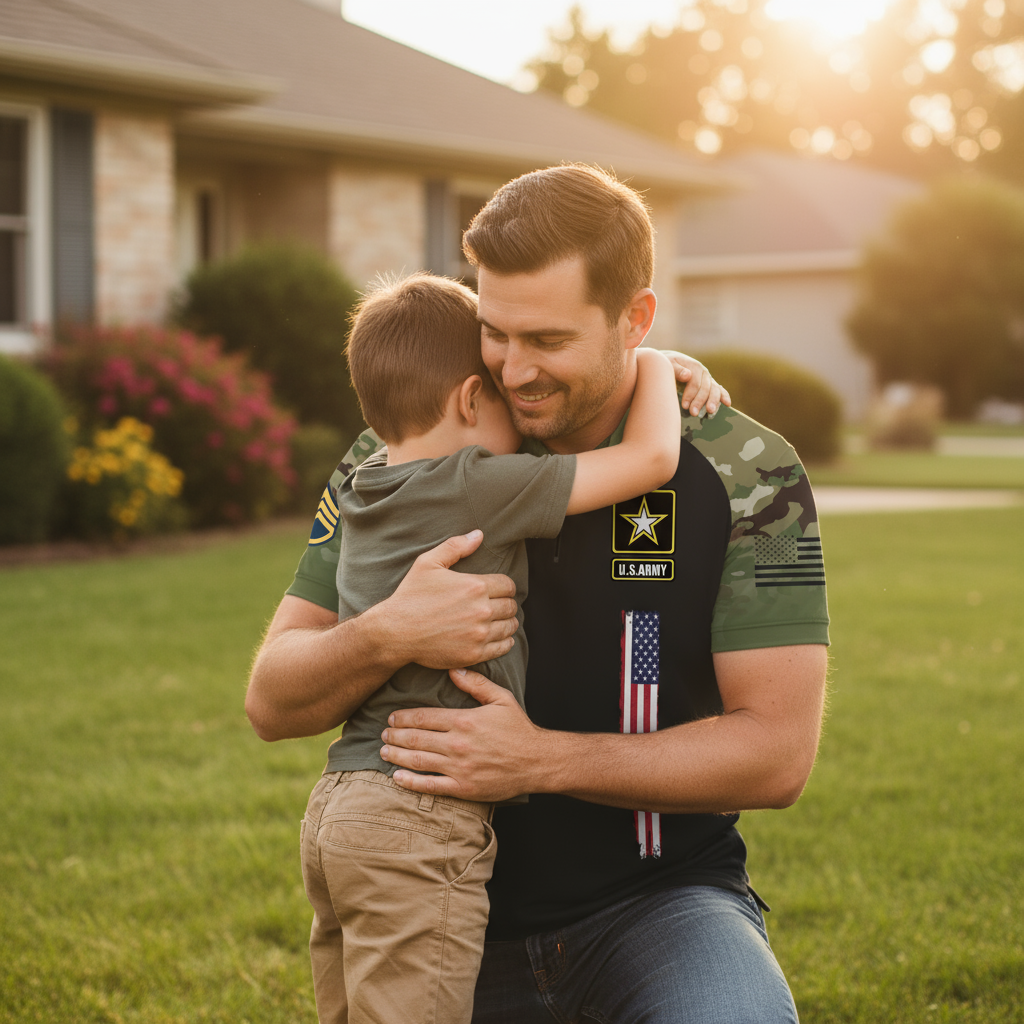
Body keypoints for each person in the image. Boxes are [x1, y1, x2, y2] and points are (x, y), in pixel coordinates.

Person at [246, 163, 829, 1024]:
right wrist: (386, 632)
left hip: (658, 905)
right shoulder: (408, 448)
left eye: (547, 341)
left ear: (634, 320)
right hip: (442, 900)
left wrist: (537, 759)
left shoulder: (750, 471)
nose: (513, 373)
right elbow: (271, 698)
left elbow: (776, 755)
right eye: (494, 332)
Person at [302, 270, 681, 1024]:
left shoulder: (367, 484)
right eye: (504, 396)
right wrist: (658, 365)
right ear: (472, 402)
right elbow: (650, 462)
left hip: (339, 808)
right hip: (421, 817)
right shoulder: (473, 482)